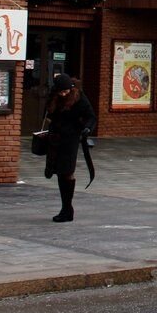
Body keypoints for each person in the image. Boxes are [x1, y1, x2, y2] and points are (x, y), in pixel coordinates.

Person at [43, 73, 96, 222]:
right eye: (61, 91)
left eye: (66, 91)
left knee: (67, 171)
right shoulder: (54, 96)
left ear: (71, 88)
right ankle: (65, 207)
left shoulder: (79, 97)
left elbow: (91, 116)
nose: (63, 94)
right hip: (55, 137)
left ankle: (67, 209)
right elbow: (49, 113)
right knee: (58, 172)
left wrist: (87, 128)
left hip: (70, 138)